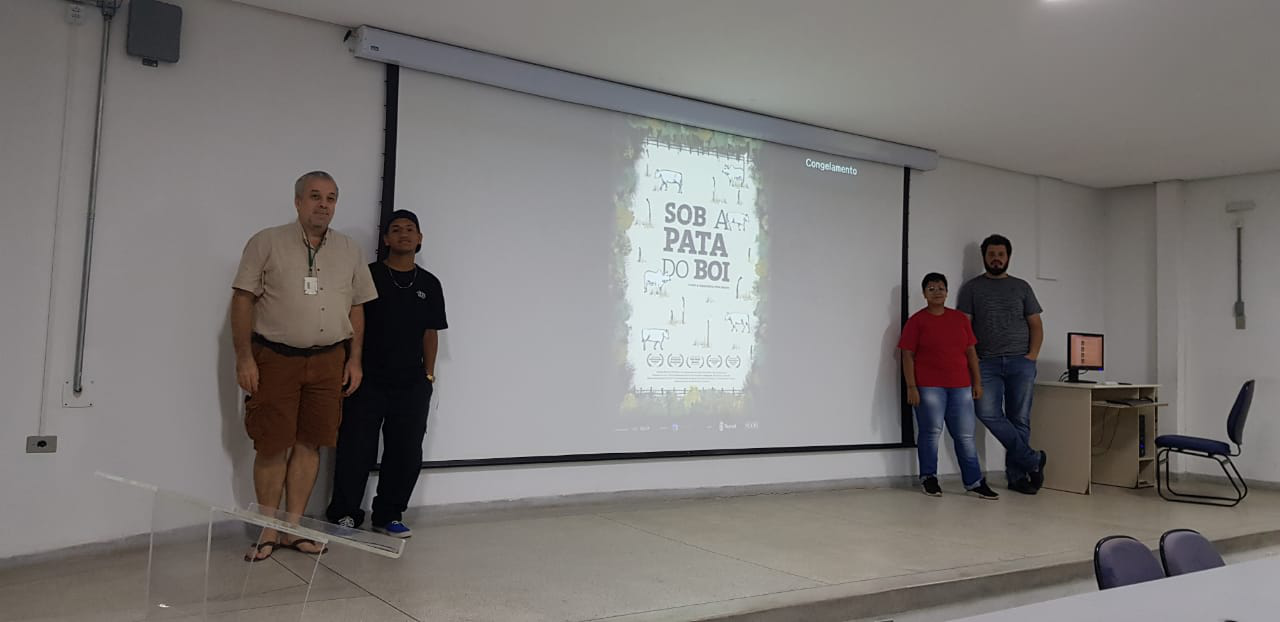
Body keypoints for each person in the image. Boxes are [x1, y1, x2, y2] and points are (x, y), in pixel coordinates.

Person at [231, 171, 378, 561]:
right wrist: (244, 356)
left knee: (310, 443)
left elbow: (357, 307)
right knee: (272, 444)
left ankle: (293, 528)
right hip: (275, 358)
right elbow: (243, 299)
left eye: (331, 198)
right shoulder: (267, 242)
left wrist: (356, 360)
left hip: (329, 360)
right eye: (315, 196)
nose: (323, 204)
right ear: (297, 202)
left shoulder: (349, 250)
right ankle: (269, 529)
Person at [327, 209, 447, 538]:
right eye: (396, 229)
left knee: (406, 452)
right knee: (355, 449)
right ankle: (345, 514)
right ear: (386, 238)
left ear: (420, 238)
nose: (404, 234)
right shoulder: (368, 276)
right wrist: (352, 365)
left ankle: (388, 515)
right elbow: (353, 323)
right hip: (367, 380)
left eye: (411, 229)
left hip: (411, 384)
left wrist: (429, 376)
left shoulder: (429, 284)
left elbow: (431, 332)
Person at [957, 234, 1047, 494]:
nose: (996, 259)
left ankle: (1018, 477)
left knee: (1019, 419)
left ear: (1008, 257)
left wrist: (1032, 355)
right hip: (986, 363)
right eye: (991, 254)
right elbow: (965, 329)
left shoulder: (1022, 287)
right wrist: (972, 360)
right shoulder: (972, 288)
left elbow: (1036, 325)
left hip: (1021, 362)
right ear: (984, 257)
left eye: (1001, 254)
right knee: (987, 413)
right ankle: (1033, 459)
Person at [899, 273, 999, 499]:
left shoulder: (960, 319)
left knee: (965, 436)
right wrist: (911, 386)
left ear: (947, 292)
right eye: (932, 288)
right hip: (928, 387)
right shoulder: (917, 321)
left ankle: (974, 482)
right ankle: (929, 478)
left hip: (961, 386)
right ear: (924, 294)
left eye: (941, 288)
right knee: (930, 433)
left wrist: (977, 382)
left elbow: (971, 352)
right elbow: (907, 355)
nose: (937, 292)